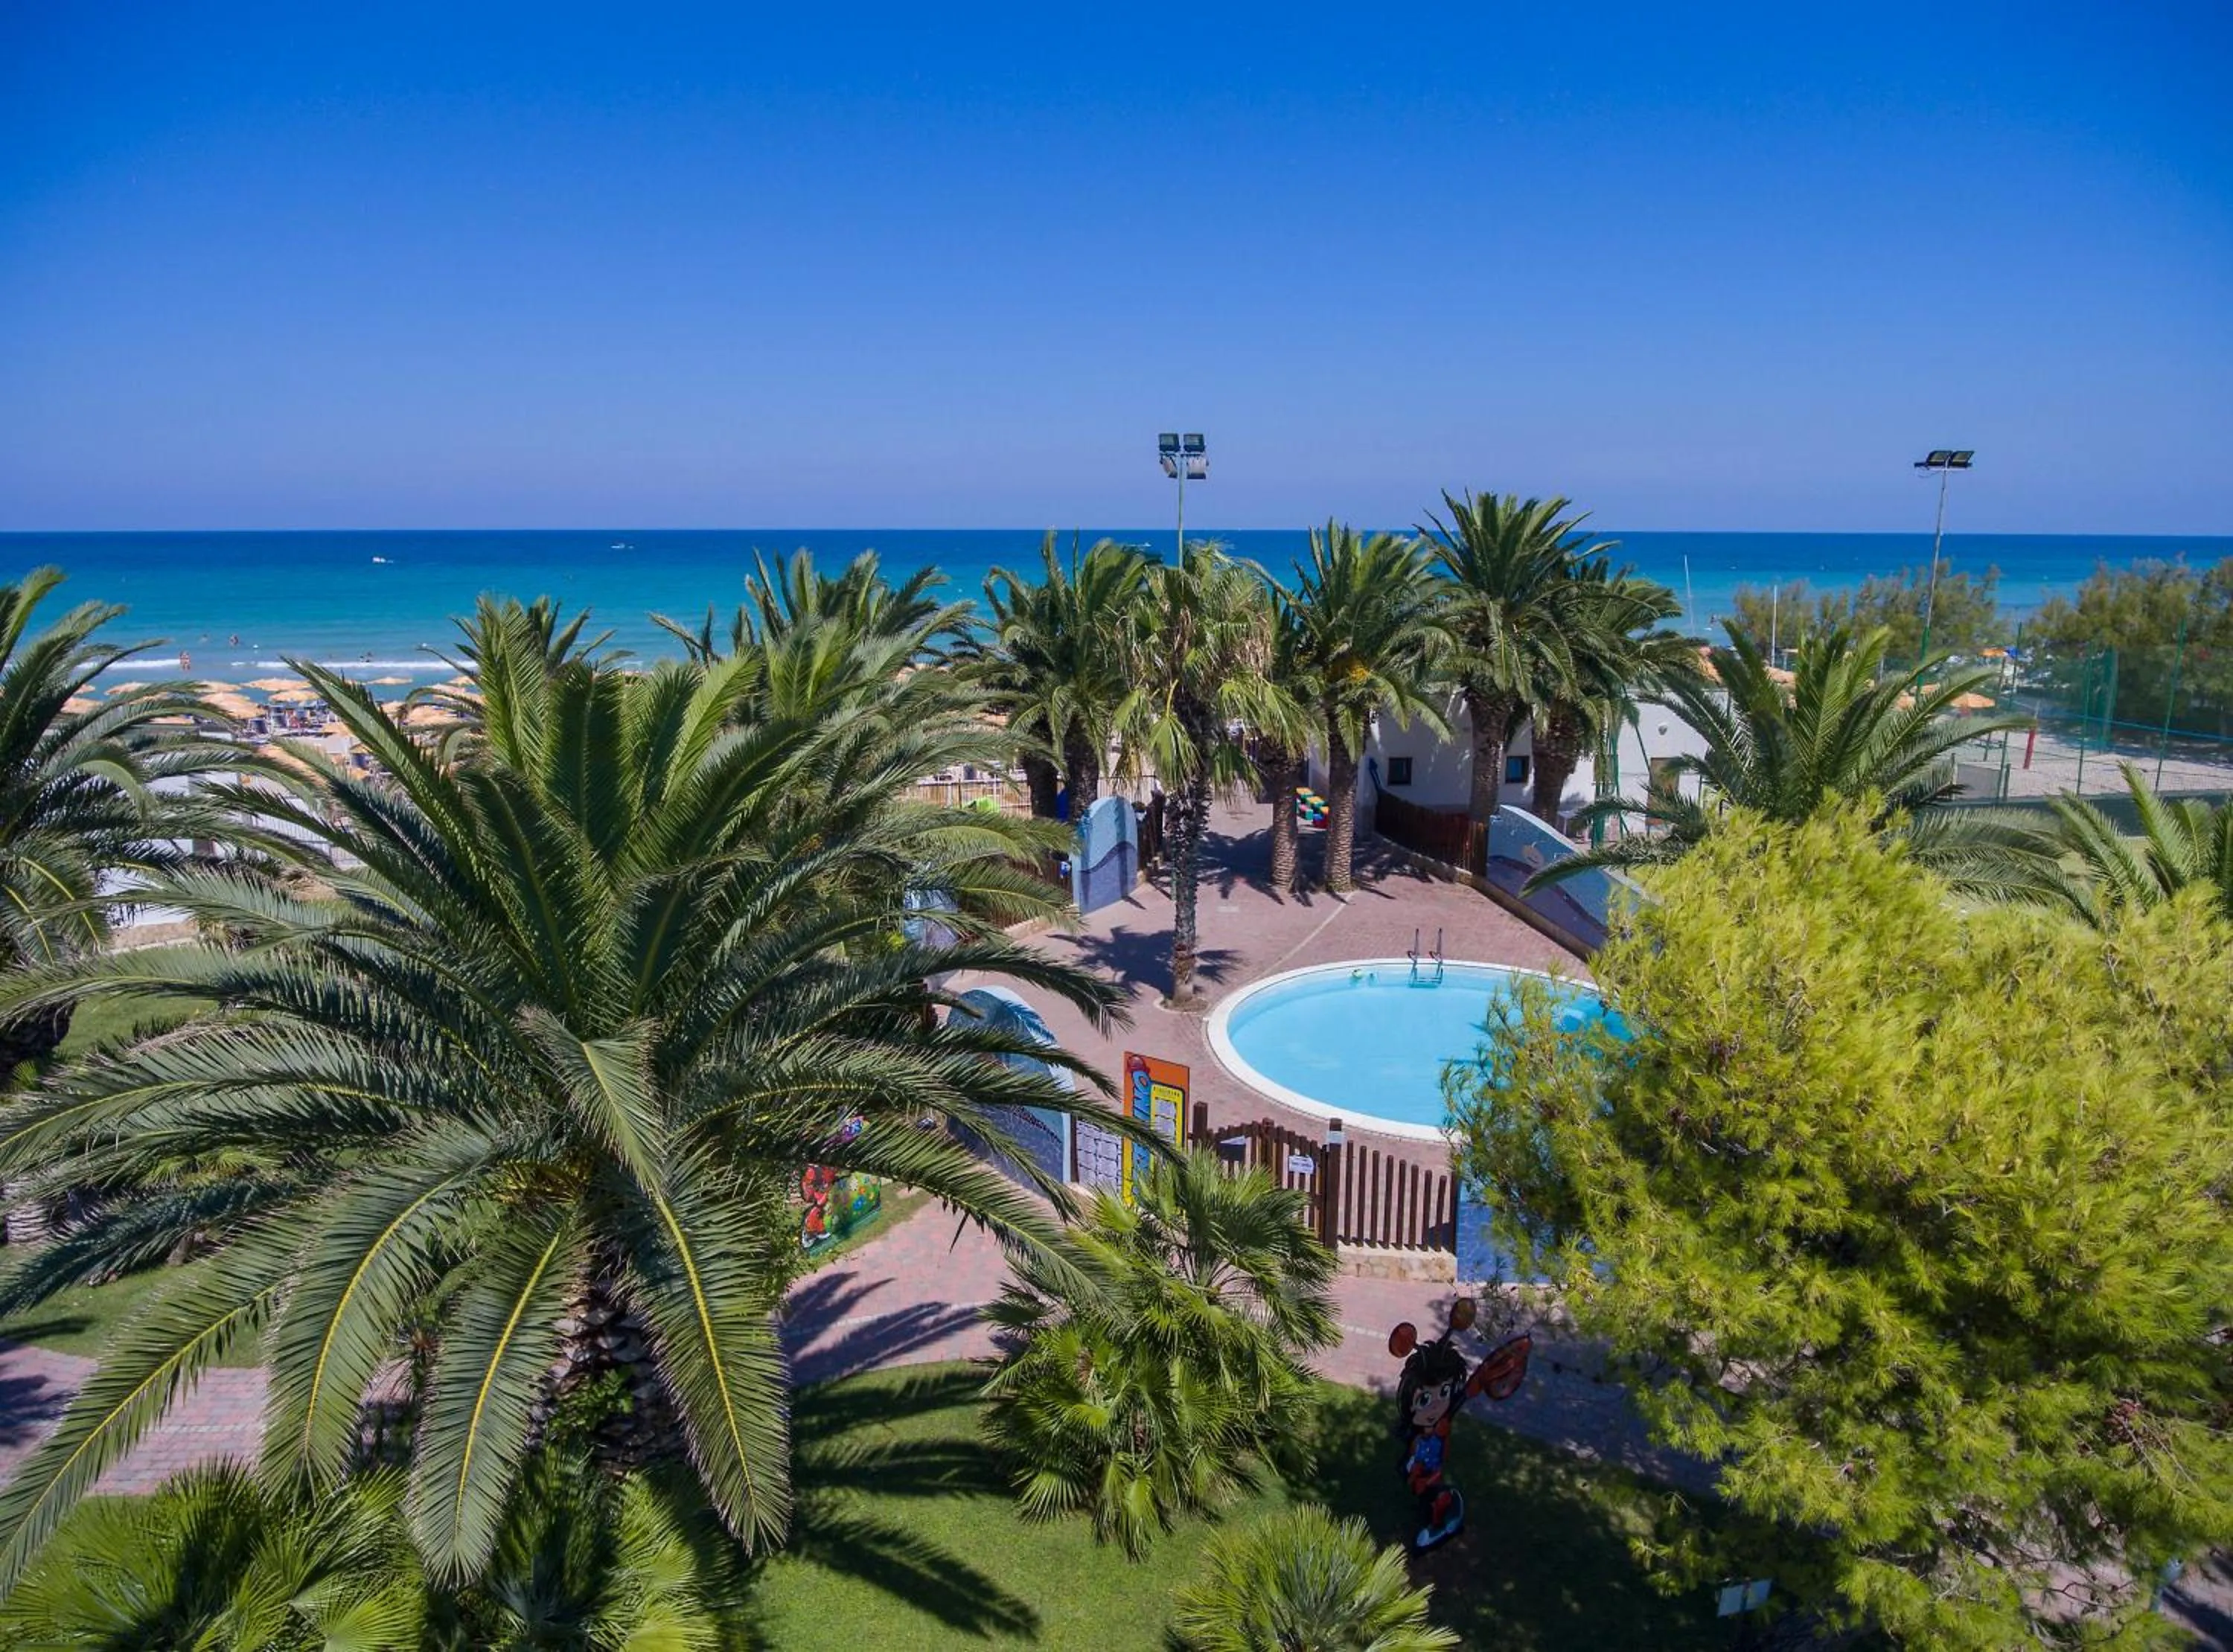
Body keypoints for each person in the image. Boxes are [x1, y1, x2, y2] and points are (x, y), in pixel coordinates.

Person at [1387, 1298, 1530, 1550]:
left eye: (1443, 1393)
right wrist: (1419, 1476)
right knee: (1438, 1497)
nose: (1435, 1406)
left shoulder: (1443, 1419)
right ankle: (1435, 1523)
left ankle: (1437, 1522)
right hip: (1424, 1477)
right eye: (1425, 1399)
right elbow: (1413, 1471)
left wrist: (1492, 1371)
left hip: (1433, 1474)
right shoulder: (1416, 1438)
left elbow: (1469, 1391)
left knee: (1439, 1498)